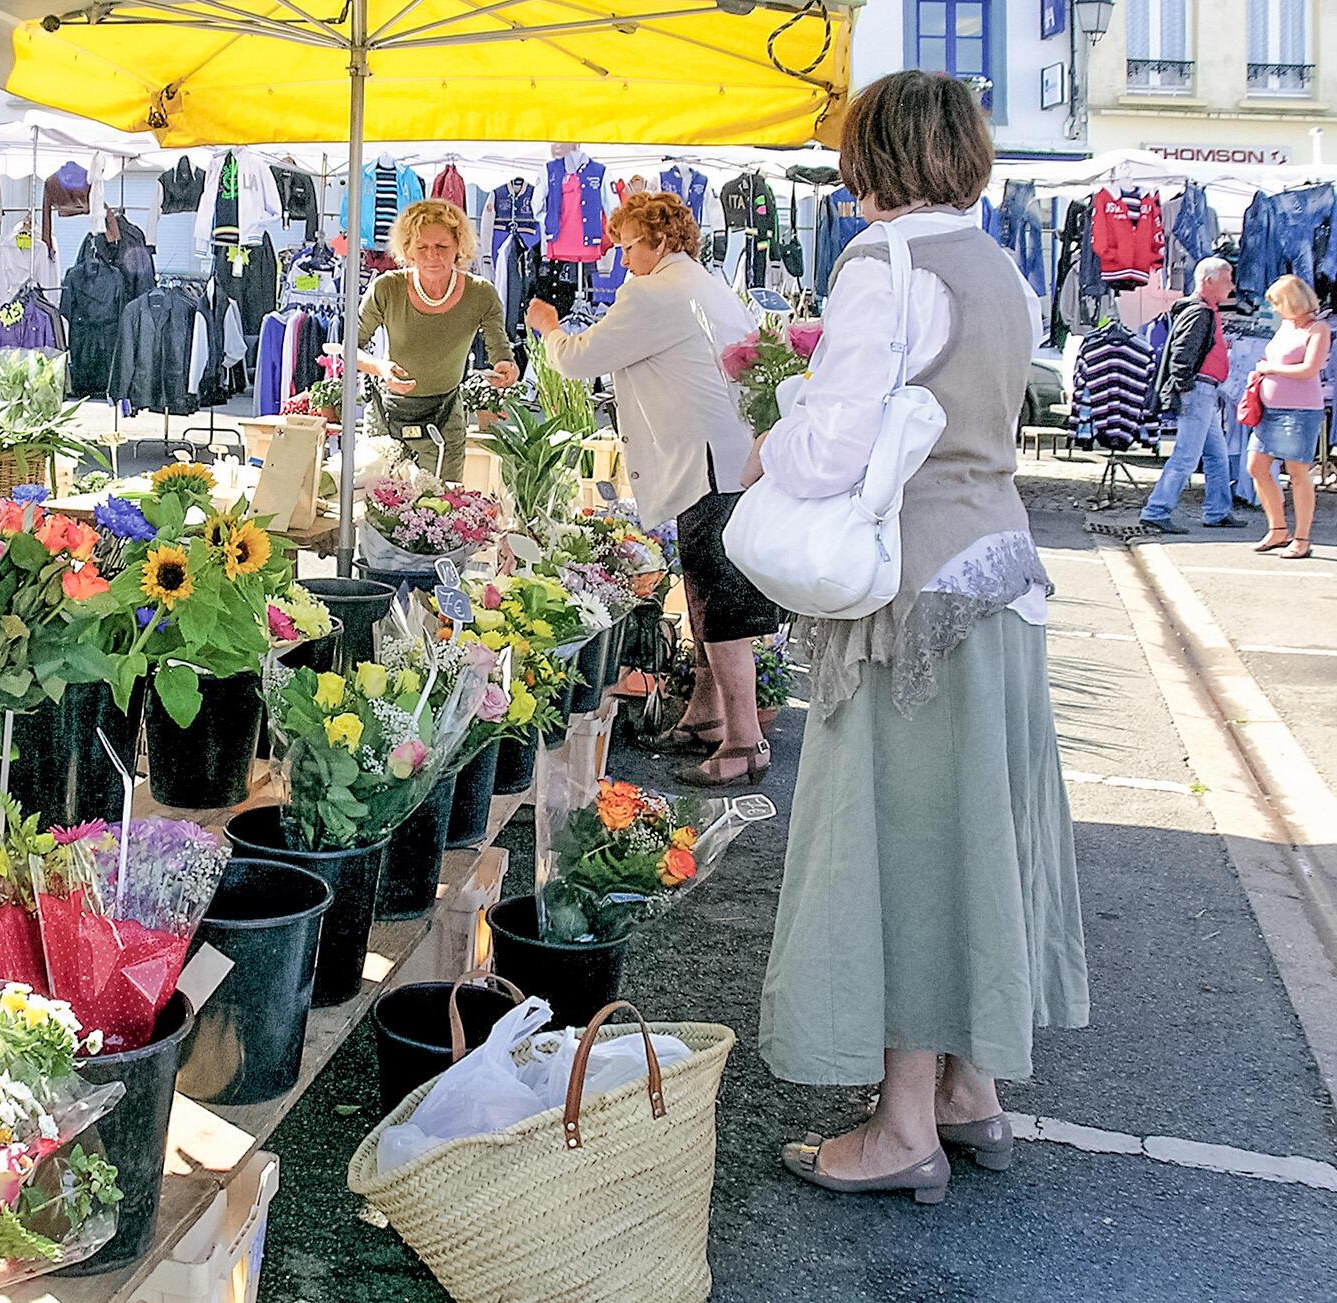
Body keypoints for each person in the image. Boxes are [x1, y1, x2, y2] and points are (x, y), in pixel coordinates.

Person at [747, 70, 1089, 1204]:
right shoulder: (997, 265)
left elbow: (829, 451)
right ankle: (968, 1088)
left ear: (872, 155)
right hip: (1002, 575)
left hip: (913, 598)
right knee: (979, 830)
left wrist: (771, 439)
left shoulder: (881, 264)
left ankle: (903, 1127)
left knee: (901, 843)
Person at [526, 192, 778, 786]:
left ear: (661, 241)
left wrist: (549, 328)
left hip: (706, 468)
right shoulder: (707, 285)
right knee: (706, 597)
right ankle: (707, 716)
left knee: (720, 605)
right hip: (730, 460)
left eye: (628, 246)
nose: (622, 260)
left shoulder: (654, 291)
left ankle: (745, 742)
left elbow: (581, 359)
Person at [353, 198, 517, 473]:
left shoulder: (481, 294)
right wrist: (380, 368)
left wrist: (505, 368)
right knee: (377, 495)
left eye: (442, 246)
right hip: (387, 414)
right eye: (422, 247)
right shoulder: (386, 288)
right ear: (408, 250)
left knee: (444, 496)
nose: (432, 255)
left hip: (445, 417)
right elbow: (349, 348)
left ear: (459, 247)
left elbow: (499, 348)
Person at [1140, 258, 1244, 534]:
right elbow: (1182, 354)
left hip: (1204, 390)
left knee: (1216, 455)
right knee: (1187, 455)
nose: (1232, 286)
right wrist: (1187, 388)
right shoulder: (1200, 312)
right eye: (1227, 279)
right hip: (1199, 390)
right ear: (1209, 281)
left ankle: (1218, 511)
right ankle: (1156, 510)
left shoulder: (1203, 310)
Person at [1246, 274, 1326, 560]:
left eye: (1278, 303)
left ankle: (1302, 537)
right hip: (1270, 409)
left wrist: (1270, 370)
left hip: (1300, 411)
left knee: (1297, 472)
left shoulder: (1318, 329)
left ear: (1292, 301)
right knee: (1256, 466)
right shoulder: (1286, 327)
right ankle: (1278, 528)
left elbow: (1309, 369)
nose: (1275, 309)